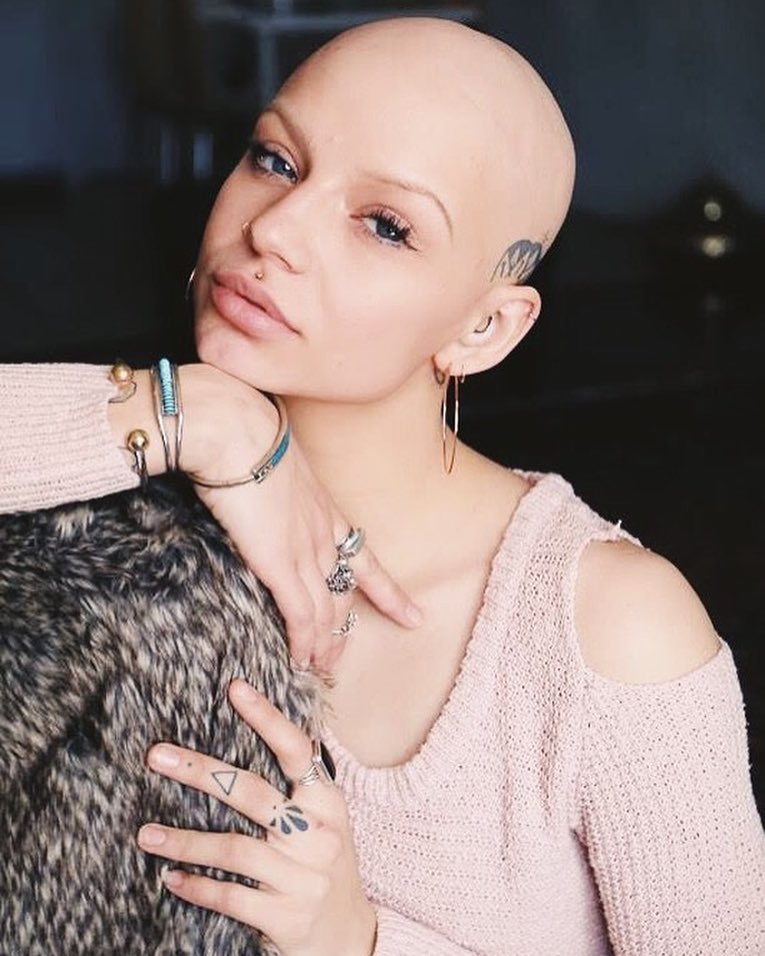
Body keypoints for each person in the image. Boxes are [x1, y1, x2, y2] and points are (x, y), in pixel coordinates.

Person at [1, 16, 763, 956]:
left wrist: (358, 941)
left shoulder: (606, 629)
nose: (273, 229)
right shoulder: (116, 481)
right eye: (275, 160)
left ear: (484, 328)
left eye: (386, 225)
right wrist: (192, 414)